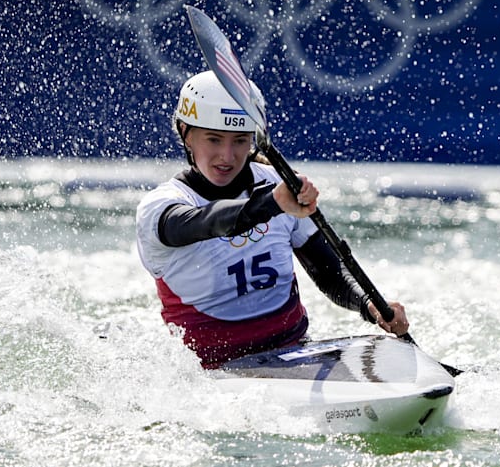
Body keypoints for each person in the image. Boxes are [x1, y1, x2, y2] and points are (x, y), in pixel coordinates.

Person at [136, 70, 409, 369]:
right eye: (214, 139)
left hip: (293, 354)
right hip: (210, 375)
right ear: (186, 133)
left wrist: (368, 305)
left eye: (240, 141)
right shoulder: (161, 207)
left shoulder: (276, 183)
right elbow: (207, 221)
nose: (227, 156)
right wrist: (272, 203)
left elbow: (330, 272)